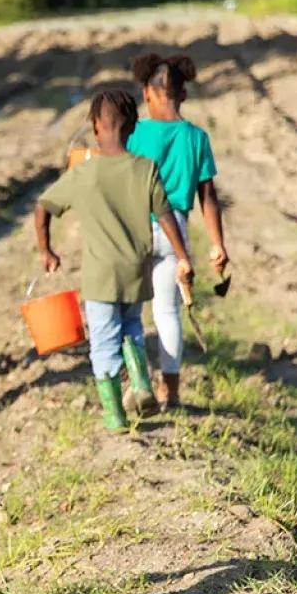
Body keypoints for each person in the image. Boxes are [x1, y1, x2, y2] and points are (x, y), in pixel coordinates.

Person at [34, 90, 195, 430]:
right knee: (132, 327)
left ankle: (114, 414)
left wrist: (46, 249)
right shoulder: (145, 168)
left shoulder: (85, 173)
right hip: (136, 268)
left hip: (100, 275)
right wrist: (182, 256)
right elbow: (165, 215)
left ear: (95, 127)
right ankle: (138, 382)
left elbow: (43, 206)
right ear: (134, 126)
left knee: (104, 341)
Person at [127, 53, 229, 410]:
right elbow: (209, 196)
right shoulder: (196, 138)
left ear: (147, 93)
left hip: (135, 229)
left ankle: (137, 383)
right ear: (183, 95)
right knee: (167, 313)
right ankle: (169, 392)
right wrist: (217, 243)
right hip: (177, 233)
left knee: (129, 313)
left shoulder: (135, 133)